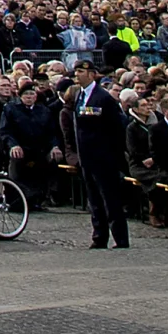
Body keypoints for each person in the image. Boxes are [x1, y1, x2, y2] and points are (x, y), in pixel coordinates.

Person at [70, 64, 131, 251]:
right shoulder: (79, 95)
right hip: (87, 158)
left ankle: (120, 239)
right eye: (76, 72)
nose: (77, 75)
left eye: (80, 72)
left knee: (110, 200)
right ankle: (99, 237)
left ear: (91, 74)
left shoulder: (103, 98)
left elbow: (116, 128)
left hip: (104, 159)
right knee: (94, 200)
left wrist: (113, 154)